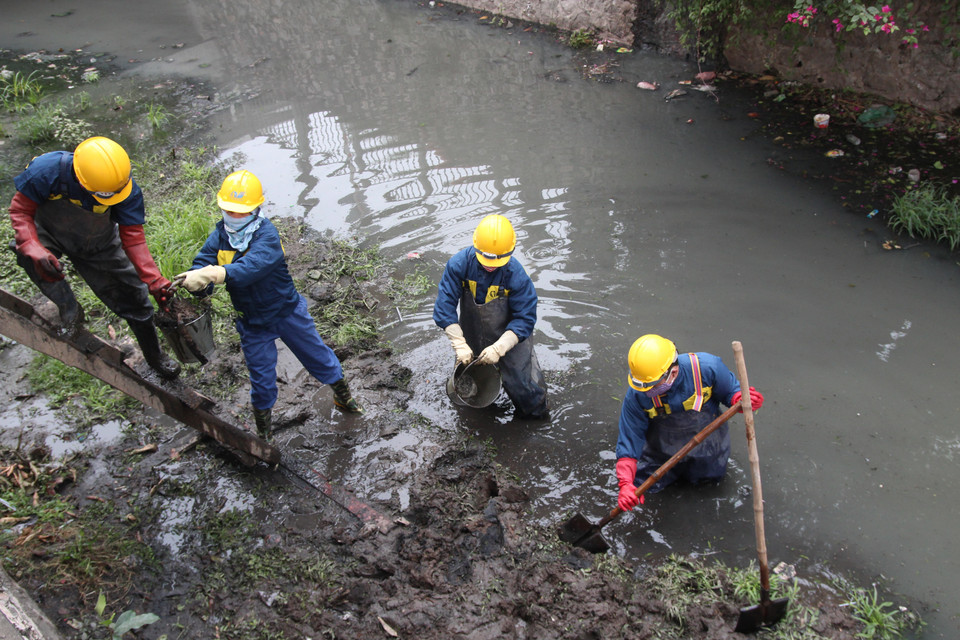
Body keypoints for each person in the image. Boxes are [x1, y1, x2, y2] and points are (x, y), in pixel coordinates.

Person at [176, 169, 362, 439]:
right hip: (252, 322)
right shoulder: (220, 236)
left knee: (319, 358)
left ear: (255, 209)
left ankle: (344, 398)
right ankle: (264, 433)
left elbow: (252, 267)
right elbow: (203, 261)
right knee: (261, 381)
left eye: (241, 211)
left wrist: (218, 273)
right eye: (229, 210)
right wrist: (198, 280)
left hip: (287, 312)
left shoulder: (267, 235)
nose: (235, 216)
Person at [7, 136, 180, 379]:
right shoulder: (46, 171)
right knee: (28, 256)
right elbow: (21, 210)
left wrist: (152, 278)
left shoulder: (125, 188)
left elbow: (133, 236)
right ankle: (69, 308)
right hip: (49, 233)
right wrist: (31, 244)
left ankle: (155, 357)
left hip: (98, 244)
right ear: (80, 178)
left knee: (135, 299)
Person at [614, 334, 764, 510]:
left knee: (709, 486)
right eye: (643, 387)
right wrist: (625, 484)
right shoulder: (637, 396)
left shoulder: (708, 368)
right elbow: (629, 440)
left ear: (673, 372)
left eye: (653, 386)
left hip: (708, 445)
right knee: (646, 487)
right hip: (660, 452)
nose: (647, 391)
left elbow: (733, 392)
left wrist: (742, 399)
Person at [433, 214, 548, 419]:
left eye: (496, 261)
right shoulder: (459, 265)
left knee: (523, 385)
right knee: (467, 383)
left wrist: (500, 347)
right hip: (471, 333)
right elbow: (444, 306)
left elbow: (525, 318)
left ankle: (536, 421)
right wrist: (459, 343)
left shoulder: (516, 275)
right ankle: (478, 419)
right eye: (485, 259)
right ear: (476, 246)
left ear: (510, 252)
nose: (490, 265)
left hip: (509, 335)